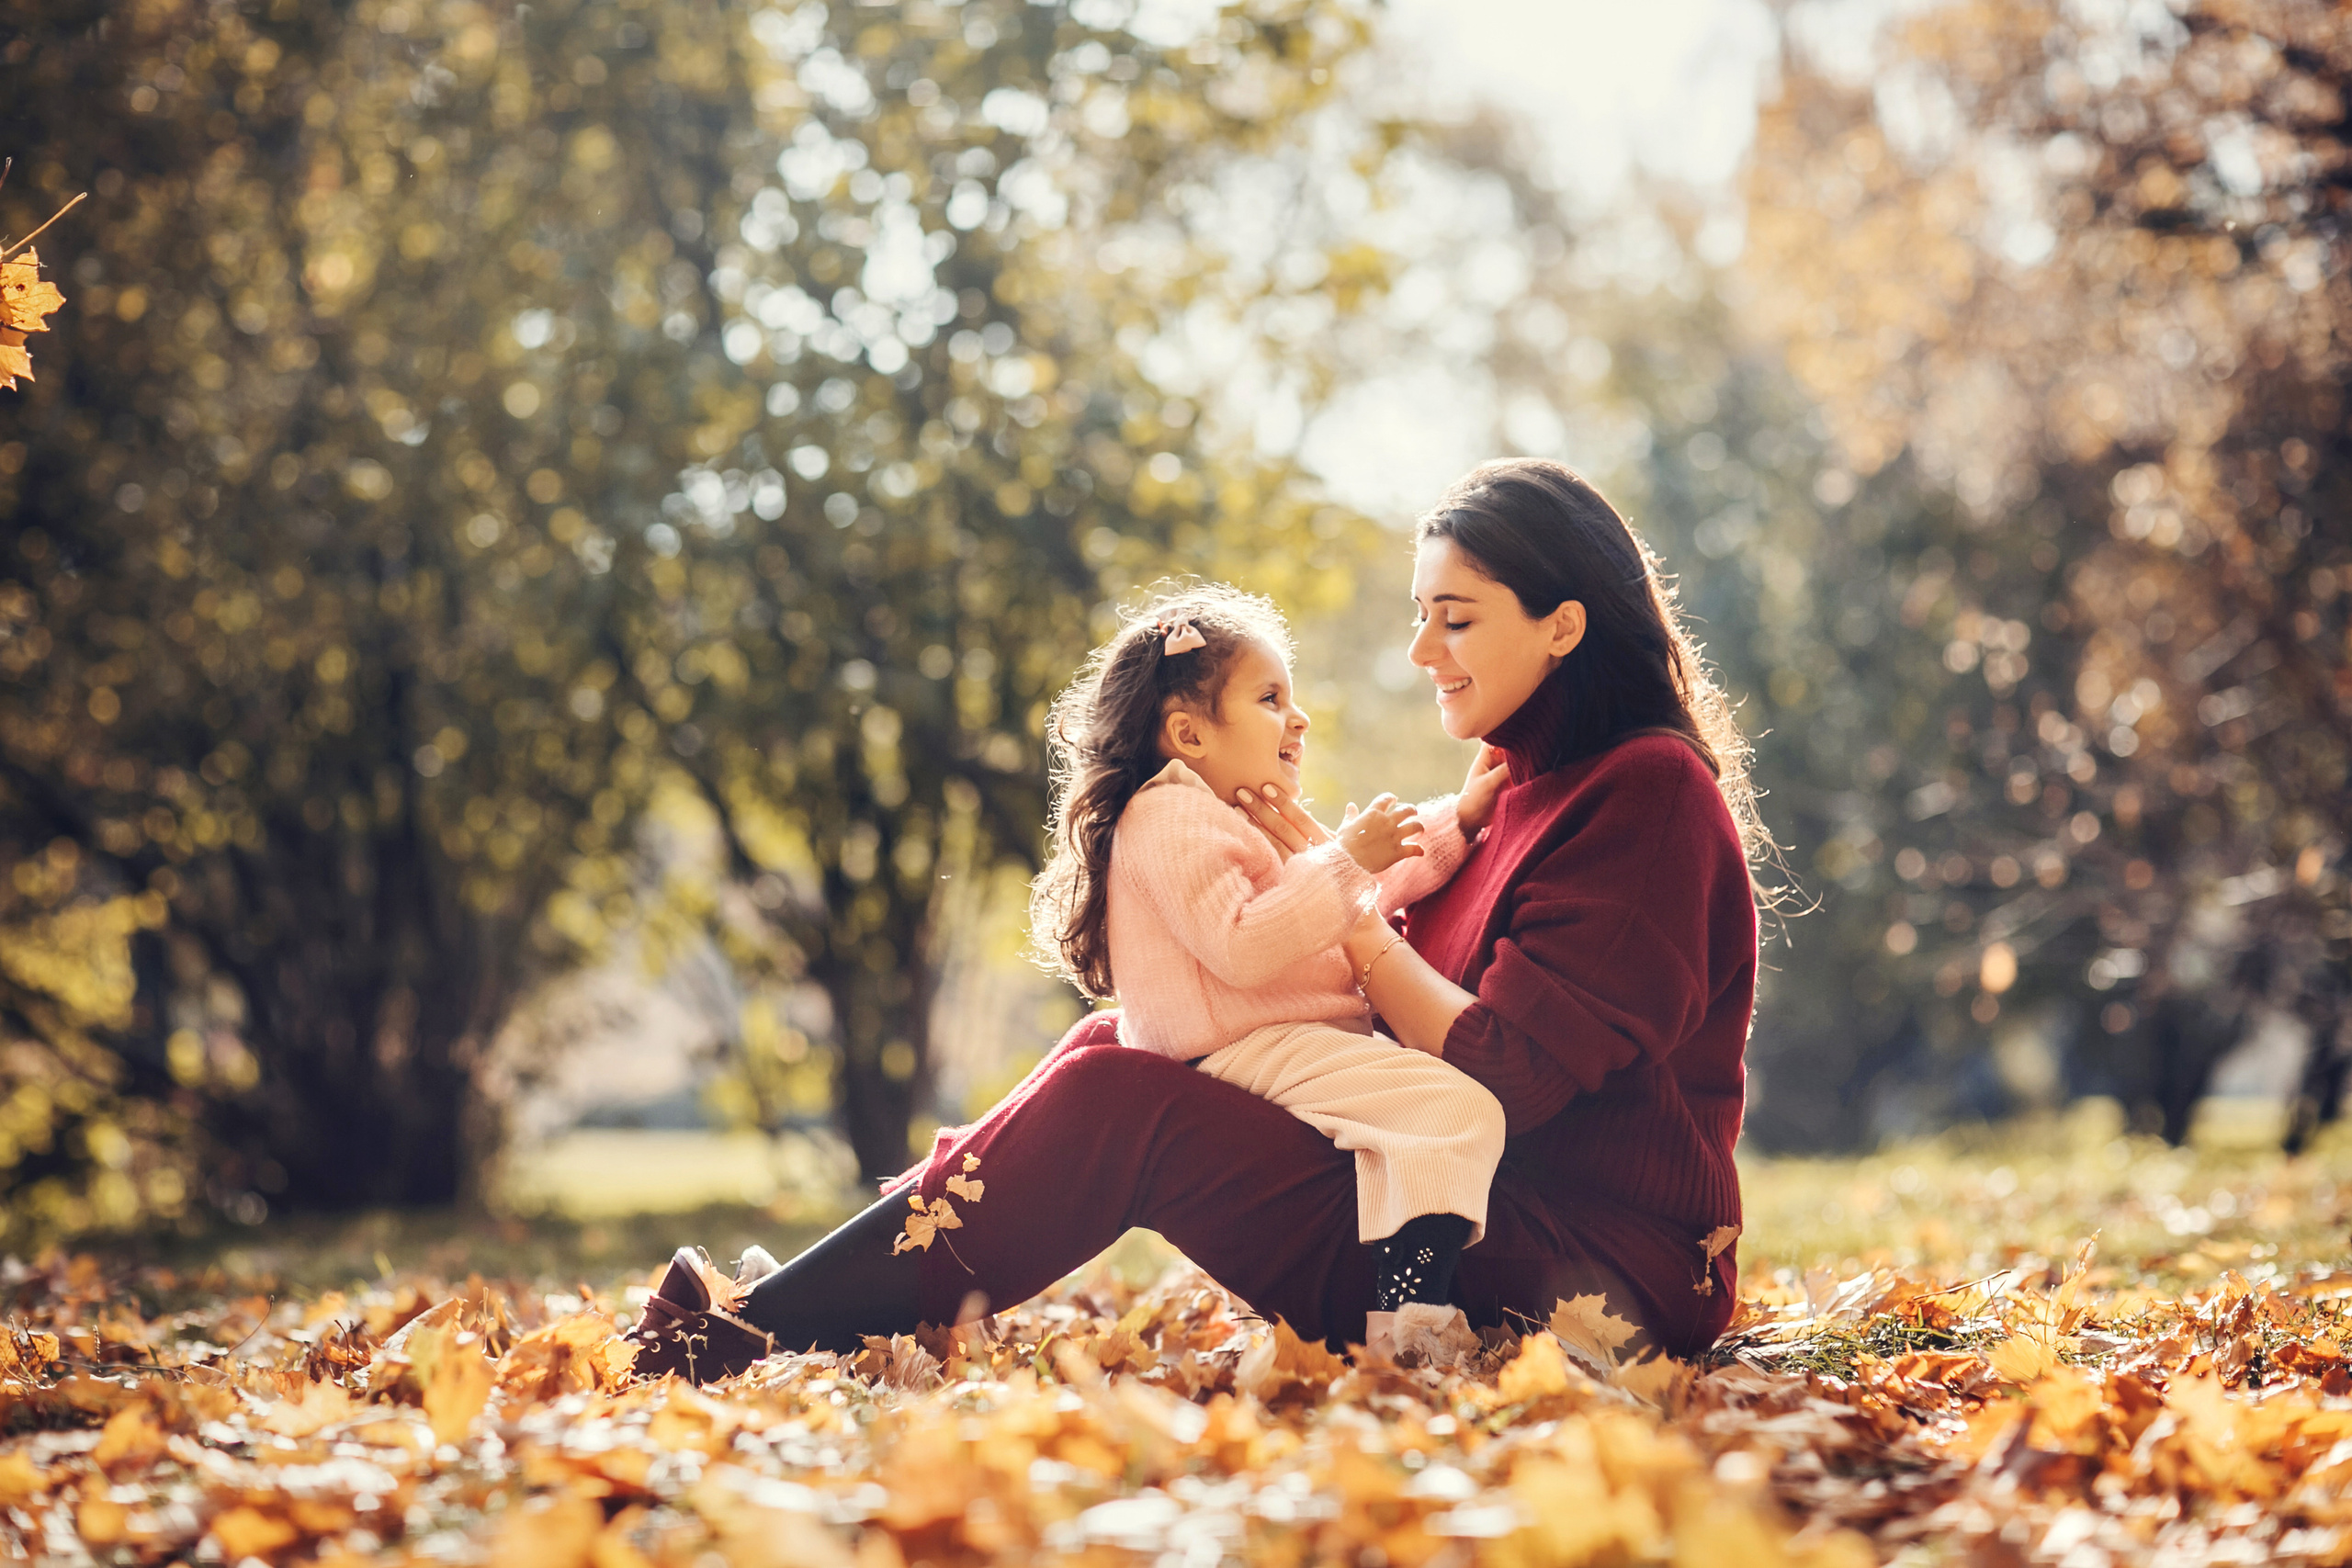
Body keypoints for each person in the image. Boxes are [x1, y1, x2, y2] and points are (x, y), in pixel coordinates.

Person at [627, 457, 1764, 1384]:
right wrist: (1345, 881)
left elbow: (1506, 1076)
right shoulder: (1514, 786)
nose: (1421, 651)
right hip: (1445, 1200)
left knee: (1122, 1102)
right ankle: (794, 1309)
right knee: (1118, 1044)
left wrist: (1345, 909)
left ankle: (753, 1333)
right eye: (1421, 617)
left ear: (1562, 628)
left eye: (1454, 620)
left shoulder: (1645, 795)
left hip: (1584, 1271)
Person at [1024, 584, 1508, 1358]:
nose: (1299, 717)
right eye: (1270, 698)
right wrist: (1347, 860)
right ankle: (1412, 1335)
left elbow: (1356, 895)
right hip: (1244, 1047)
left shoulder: (1235, 813)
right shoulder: (1169, 816)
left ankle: (1400, 1322)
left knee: (1424, 1120)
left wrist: (1461, 817)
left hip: (1276, 1042)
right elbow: (1243, 943)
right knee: (1454, 1109)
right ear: (1188, 733)